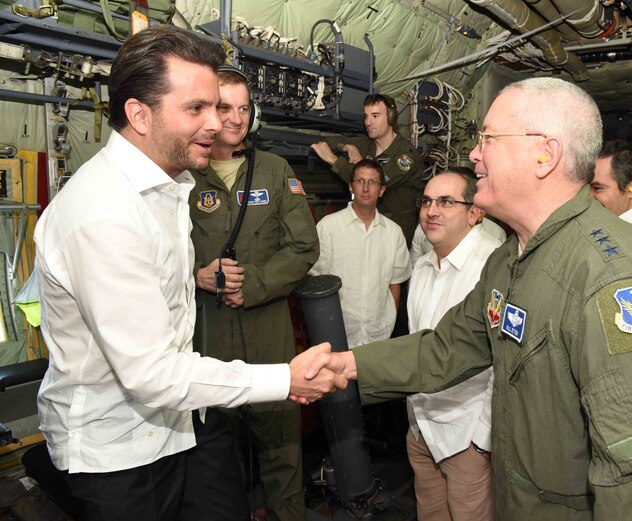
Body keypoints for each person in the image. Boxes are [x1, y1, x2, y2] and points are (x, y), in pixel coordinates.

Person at [304, 77, 632, 520]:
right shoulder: (511, 259)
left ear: (545, 154)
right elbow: (446, 348)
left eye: (488, 139)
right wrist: (350, 364)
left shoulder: (616, 281)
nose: (474, 153)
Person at [33, 26, 345, 521]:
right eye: (195, 109)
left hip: (182, 420)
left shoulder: (168, 189)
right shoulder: (104, 213)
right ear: (139, 114)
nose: (216, 125)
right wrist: (285, 379)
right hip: (120, 450)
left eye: (217, 108)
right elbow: (152, 373)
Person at [187, 67, 319, 521]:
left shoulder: (276, 171)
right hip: (207, 333)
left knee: (281, 440)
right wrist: (195, 274)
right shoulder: (183, 177)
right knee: (215, 449)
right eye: (225, 107)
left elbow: (305, 246)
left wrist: (257, 284)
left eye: (245, 108)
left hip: (267, 330)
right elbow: (151, 254)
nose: (237, 118)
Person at [407, 170, 500, 521]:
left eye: (446, 202)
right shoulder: (421, 268)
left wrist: (481, 440)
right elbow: (419, 349)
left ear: (475, 213)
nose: (432, 210)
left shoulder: (493, 267)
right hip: (422, 432)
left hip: (466, 439)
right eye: (427, 201)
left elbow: (500, 361)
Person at [309, 159, 411, 348]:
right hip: (337, 333)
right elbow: (317, 283)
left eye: (372, 182)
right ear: (351, 187)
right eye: (360, 181)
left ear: (381, 190)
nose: (365, 188)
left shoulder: (393, 232)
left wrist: (388, 323)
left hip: (379, 336)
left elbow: (395, 284)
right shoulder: (328, 227)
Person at [310, 94, 424, 247]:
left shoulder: (406, 156)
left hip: (393, 234)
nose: (368, 122)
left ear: (391, 118)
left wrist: (334, 160)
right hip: (365, 227)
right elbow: (325, 142)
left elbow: (373, 185)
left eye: (375, 116)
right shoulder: (366, 144)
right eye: (366, 116)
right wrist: (347, 146)